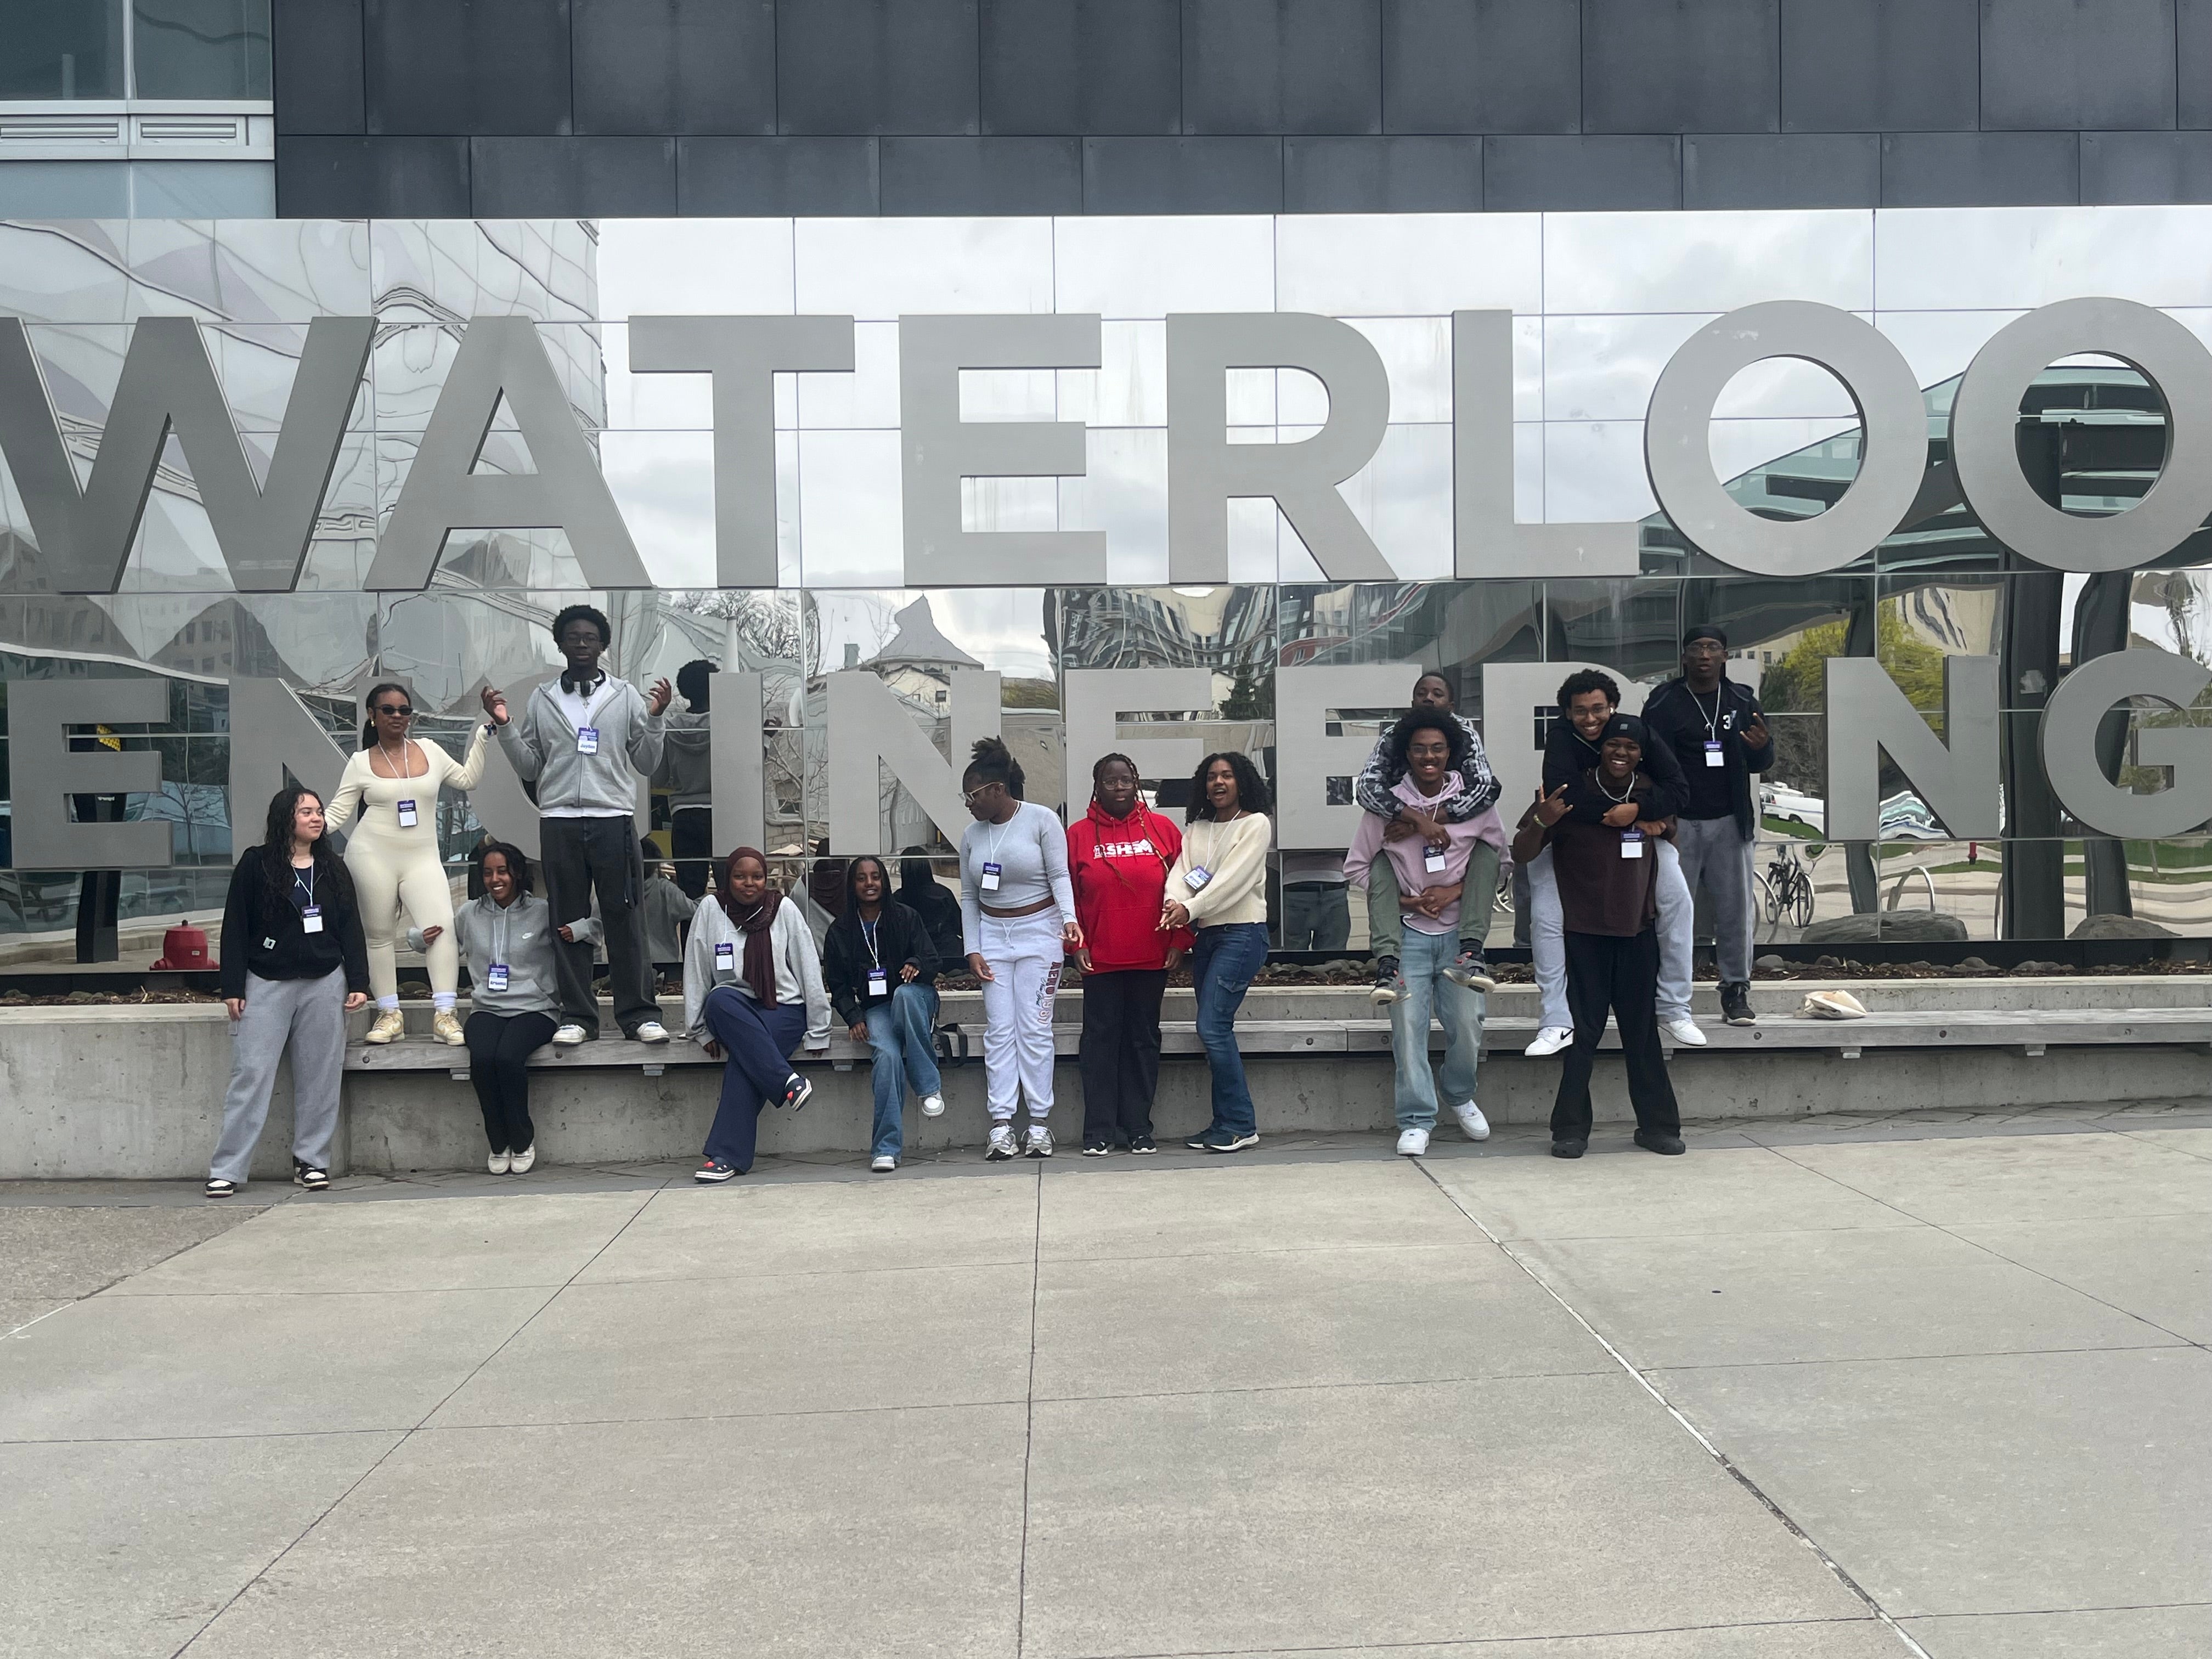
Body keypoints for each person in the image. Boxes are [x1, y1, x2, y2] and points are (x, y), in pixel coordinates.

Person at [483, 605, 673, 1047]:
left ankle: (639, 1015)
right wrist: (506, 726)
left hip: (613, 819)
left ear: (603, 645)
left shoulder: (625, 695)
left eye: (590, 637)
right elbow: (531, 766)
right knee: (567, 920)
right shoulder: (544, 698)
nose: (582, 644)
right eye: (573, 637)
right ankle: (578, 1017)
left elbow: (646, 762)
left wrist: (656, 718)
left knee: (625, 918)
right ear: (561, 644)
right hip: (560, 822)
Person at [1511, 715, 1685, 1160]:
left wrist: (1655, 823)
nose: (1621, 753)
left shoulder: (1649, 793)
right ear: (1600, 748)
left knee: (1642, 1035)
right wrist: (1543, 821)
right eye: (1613, 745)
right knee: (1581, 1037)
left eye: (1631, 747)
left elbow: (1671, 831)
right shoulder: (1570, 792)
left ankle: (1659, 1127)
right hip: (1583, 934)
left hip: (1637, 932)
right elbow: (1522, 852)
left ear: (1641, 755)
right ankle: (1570, 1130)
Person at [1345, 709, 1505, 1156]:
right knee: (1407, 1028)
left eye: (1437, 749)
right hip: (1409, 936)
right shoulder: (1387, 806)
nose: (1428, 757)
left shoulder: (1474, 802)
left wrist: (1453, 892)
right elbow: (1357, 867)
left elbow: (1500, 862)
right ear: (1407, 754)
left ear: (1450, 753)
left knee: (1468, 1024)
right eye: (1419, 749)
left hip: (1459, 936)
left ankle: (1459, 1093)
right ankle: (1416, 1119)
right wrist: (1407, 902)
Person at [1524, 670, 1704, 1057]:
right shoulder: (1561, 738)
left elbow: (1680, 790)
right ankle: (1555, 1020)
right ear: (1567, 714)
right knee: (1546, 917)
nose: (1590, 719)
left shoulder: (1634, 733)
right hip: (1569, 837)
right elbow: (1564, 796)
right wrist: (1625, 817)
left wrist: (1639, 810)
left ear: (1613, 708)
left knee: (1679, 903)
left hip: (1634, 840)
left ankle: (1675, 1008)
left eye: (1598, 709)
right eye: (1580, 711)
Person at [206, 787, 370, 1198]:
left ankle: (312, 1161)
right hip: (266, 981)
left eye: (319, 812)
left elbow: (351, 926)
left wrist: (358, 982)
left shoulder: (332, 867)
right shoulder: (256, 863)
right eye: (306, 812)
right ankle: (228, 1168)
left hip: (325, 982)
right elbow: (235, 926)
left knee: (321, 1076)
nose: (317, 818)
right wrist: (232, 986)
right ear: (286, 818)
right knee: (252, 1073)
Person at [323, 682, 489, 1048]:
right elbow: (336, 814)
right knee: (379, 936)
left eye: (404, 710)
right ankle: (389, 1014)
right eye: (388, 710)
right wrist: (297, 830)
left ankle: (445, 1015)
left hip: (422, 858)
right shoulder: (360, 762)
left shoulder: (430, 750)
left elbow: (468, 779)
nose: (398, 716)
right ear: (372, 715)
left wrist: (483, 735)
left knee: (442, 928)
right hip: (371, 855)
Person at [1640, 626, 1775, 1029]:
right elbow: (1647, 764)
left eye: (1712, 648)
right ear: (1684, 656)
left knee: (1735, 913)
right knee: (1670, 911)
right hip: (1678, 824)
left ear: (1724, 656)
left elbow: (1761, 761)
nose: (1704, 655)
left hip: (1729, 821)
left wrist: (1763, 748)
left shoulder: (1741, 700)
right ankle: (1666, 995)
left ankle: (1736, 990)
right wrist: (1661, 816)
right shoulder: (1663, 702)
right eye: (1696, 648)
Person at [959, 737, 1081, 1161]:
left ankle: (1039, 1125)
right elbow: (969, 897)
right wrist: (973, 948)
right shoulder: (971, 836)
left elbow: (1060, 875)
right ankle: (1001, 1125)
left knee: (1034, 1029)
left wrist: (1069, 919)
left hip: (1040, 935)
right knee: (999, 1031)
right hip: (993, 937)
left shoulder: (1041, 820)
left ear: (997, 789)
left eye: (973, 795)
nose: (969, 804)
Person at [1068, 754, 1192, 1156]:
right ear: (1096, 786)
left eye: (1126, 780)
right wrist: (1076, 945)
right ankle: (1099, 1131)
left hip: (1152, 957)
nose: (1119, 788)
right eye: (1110, 781)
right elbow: (1066, 897)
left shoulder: (1164, 830)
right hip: (1100, 960)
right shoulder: (1078, 835)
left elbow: (1187, 889)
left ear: (1136, 782)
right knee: (1100, 1044)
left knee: (1142, 1042)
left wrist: (1180, 940)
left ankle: (1138, 1128)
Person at [684, 847, 830, 1182]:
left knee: (745, 1059)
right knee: (719, 999)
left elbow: (808, 967)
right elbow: (696, 968)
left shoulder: (784, 908)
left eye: (757, 877)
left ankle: (726, 1157)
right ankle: (787, 1082)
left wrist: (819, 1028)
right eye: (740, 876)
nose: (749, 883)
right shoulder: (711, 909)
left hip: (783, 1009)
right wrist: (700, 1030)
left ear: (766, 879)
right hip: (734, 1010)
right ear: (727, 878)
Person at [1357, 671, 1500, 1006]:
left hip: (1441, 843)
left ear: (1451, 705)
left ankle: (1472, 955)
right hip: (1400, 824)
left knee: (1488, 855)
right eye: (1422, 693)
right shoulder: (1395, 734)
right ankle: (1387, 967)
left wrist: (1425, 822)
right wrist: (1416, 820)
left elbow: (1486, 788)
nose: (1429, 698)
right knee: (1379, 863)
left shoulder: (1465, 732)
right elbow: (1366, 789)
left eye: (1437, 694)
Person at [1163, 751, 1274, 1155]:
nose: (1219, 783)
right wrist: (1173, 902)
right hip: (1208, 936)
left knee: (1211, 1027)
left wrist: (1189, 908)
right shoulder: (1197, 828)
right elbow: (1181, 872)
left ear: (1242, 781)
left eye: (1227, 775)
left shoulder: (1256, 824)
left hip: (1242, 934)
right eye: (1212, 777)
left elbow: (1232, 882)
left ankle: (1240, 1124)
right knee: (1215, 1029)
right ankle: (1224, 1124)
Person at [428, 840, 560, 1175]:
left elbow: (587, 935)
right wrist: (419, 937)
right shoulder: (469, 914)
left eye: (503, 871)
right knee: (483, 1059)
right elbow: (443, 942)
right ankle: (498, 1142)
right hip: (487, 1008)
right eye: (488, 873)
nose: (495, 879)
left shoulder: (543, 911)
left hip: (535, 1009)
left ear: (517, 873)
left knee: (508, 1058)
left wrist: (584, 928)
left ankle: (521, 1139)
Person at [823, 854, 945, 1172]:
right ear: (852, 885)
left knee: (904, 995)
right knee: (888, 1058)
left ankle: (928, 1087)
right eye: (861, 878)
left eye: (875, 877)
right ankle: (885, 1149)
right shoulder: (840, 930)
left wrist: (916, 964)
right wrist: (853, 1016)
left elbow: (932, 960)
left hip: (916, 999)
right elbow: (837, 984)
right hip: (876, 1008)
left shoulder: (906, 916)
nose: (870, 883)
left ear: (885, 881)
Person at [661, 658, 715, 899]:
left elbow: (659, 777)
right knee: (730, 891)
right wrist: (766, 738)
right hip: (719, 813)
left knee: (690, 893)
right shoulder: (724, 724)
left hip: (683, 813)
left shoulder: (669, 728)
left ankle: (693, 926)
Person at [898, 845, 964, 967]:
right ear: (927, 867)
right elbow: (960, 925)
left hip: (915, 959)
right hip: (949, 954)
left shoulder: (897, 900)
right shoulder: (942, 894)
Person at [1278, 850, 1351, 950]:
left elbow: (1272, 853)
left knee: (1294, 952)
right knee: (1333, 952)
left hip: (1295, 882)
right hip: (1334, 881)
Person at [640, 852, 692, 980]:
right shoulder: (666, 889)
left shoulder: (616, 890)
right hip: (666, 965)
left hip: (628, 964)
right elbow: (694, 911)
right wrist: (711, 898)